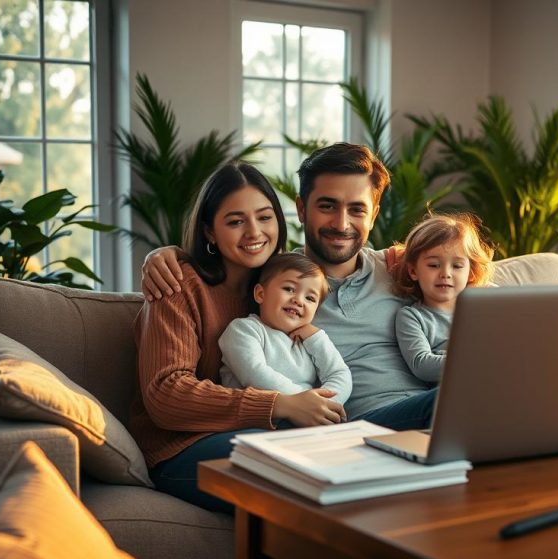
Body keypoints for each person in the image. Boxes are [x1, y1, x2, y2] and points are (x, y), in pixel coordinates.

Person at [141, 143, 437, 432]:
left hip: (425, 417)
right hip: (353, 426)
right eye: (327, 205)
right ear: (301, 209)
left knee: (466, 394)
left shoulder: (403, 267)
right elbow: (168, 392)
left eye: (357, 209)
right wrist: (170, 256)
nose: (341, 223)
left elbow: (466, 271)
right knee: (447, 401)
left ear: (373, 216)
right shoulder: (278, 286)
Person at [131, 161, 345, 513]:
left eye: (264, 217)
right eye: (235, 221)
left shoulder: (282, 288)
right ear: (210, 231)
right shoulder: (178, 285)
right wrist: (280, 404)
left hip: (270, 431)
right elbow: (165, 394)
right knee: (300, 469)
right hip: (180, 449)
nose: (254, 232)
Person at [218, 252, 352, 406]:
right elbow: (254, 373)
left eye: (310, 298)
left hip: (308, 417)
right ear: (261, 294)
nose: (299, 300)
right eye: (289, 289)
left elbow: (339, 373)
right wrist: (305, 401)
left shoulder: (309, 341)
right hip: (259, 420)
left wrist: (327, 404)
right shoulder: (244, 329)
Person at [390, 213, 494, 383]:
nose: (445, 274)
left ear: (471, 273)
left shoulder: (482, 308)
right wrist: (480, 360)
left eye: (457, 266)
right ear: (413, 271)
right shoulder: (412, 317)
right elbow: (422, 365)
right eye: (433, 265)